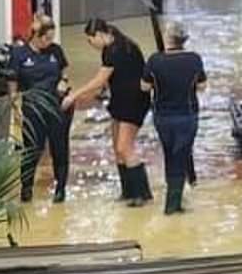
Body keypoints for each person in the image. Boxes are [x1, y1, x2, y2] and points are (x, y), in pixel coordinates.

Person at [63, 19, 154, 207]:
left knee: (124, 147)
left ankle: (142, 193)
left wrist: (75, 95)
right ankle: (128, 191)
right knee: (117, 148)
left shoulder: (117, 50)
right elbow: (107, 80)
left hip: (133, 101)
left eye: (90, 40)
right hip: (119, 100)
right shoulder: (111, 46)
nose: (91, 45)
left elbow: (100, 79)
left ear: (99, 34)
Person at [142, 21, 207, 215]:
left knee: (170, 154)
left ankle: (175, 195)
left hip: (162, 116)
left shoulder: (155, 60)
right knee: (181, 154)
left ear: (168, 37)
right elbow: (202, 86)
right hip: (187, 116)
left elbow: (144, 87)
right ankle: (173, 203)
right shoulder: (194, 60)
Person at [7, 14, 71, 203]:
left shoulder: (55, 51)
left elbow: (64, 69)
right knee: (32, 149)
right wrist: (15, 106)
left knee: (59, 148)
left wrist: (63, 81)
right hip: (32, 110)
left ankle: (60, 189)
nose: (49, 41)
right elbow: (13, 82)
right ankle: (26, 188)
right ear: (36, 35)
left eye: (52, 38)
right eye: (46, 38)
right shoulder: (20, 55)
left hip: (56, 107)